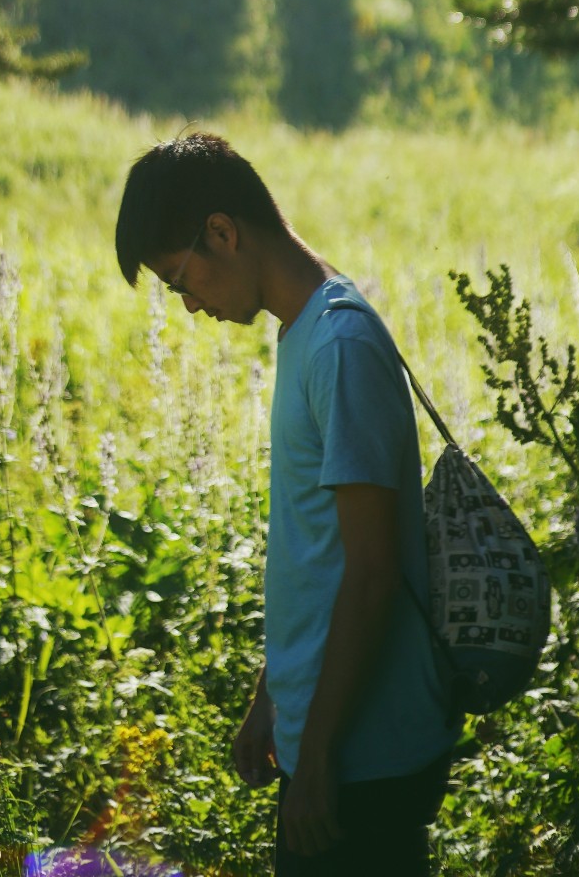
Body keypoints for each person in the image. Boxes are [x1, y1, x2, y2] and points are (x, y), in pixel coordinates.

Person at [115, 132, 458, 875]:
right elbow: (321, 552)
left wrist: (319, 759)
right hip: (334, 745)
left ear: (222, 232)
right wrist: (273, 698)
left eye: (180, 280)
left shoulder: (339, 345)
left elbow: (370, 575)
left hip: (364, 760)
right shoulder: (303, 332)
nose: (188, 305)